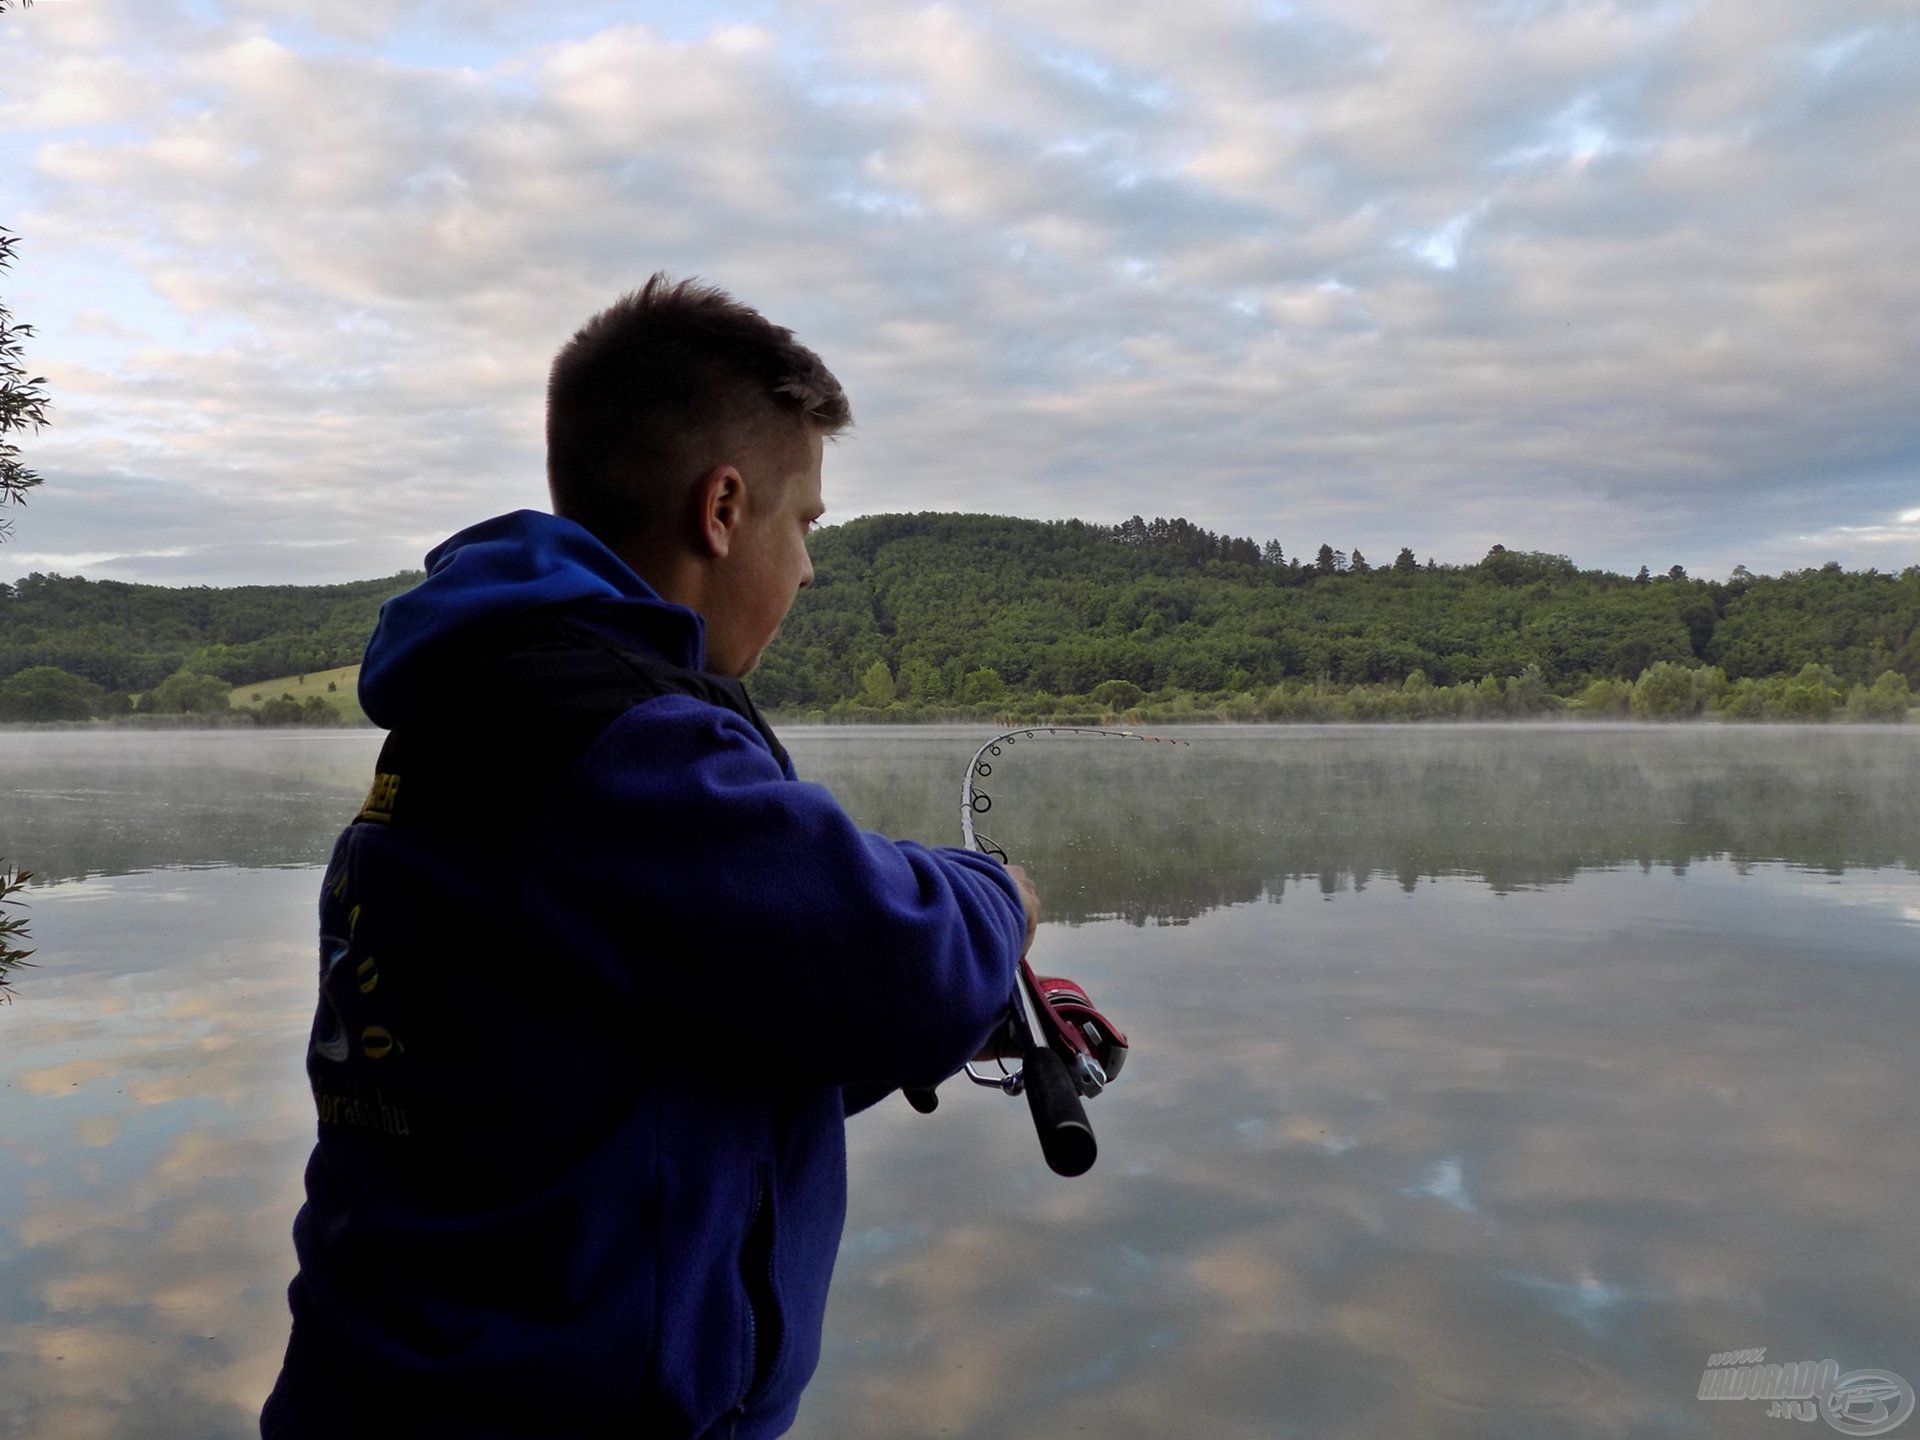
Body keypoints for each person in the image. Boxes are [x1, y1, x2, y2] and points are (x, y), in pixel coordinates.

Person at [261, 274, 1041, 1440]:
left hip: (391, 1386)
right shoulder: (616, 740)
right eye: (807, 523)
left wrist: (972, 1020)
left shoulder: (475, 709)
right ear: (723, 508)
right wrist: (1001, 901)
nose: (812, 569)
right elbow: (903, 957)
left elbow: (658, 1047)